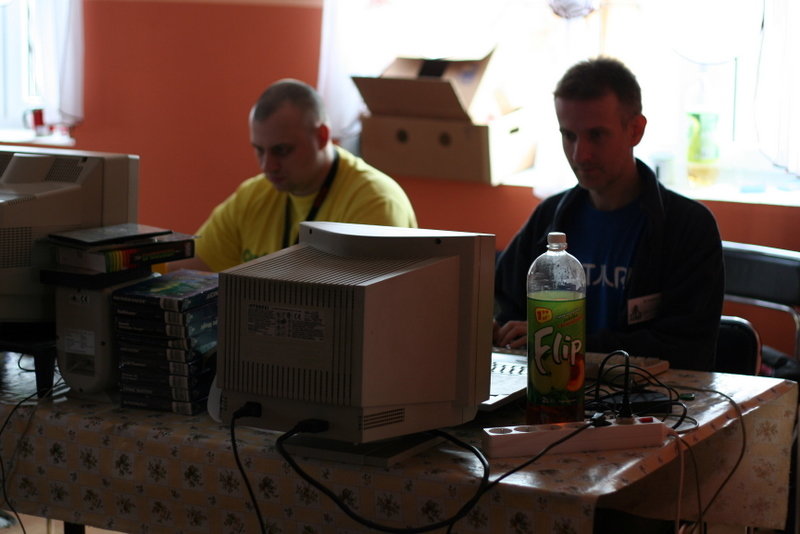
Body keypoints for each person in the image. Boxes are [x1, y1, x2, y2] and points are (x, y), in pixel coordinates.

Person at [493, 57, 724, 372]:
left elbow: (684, 349)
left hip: (648, 396)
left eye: (596, 135)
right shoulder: (549, 218)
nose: (580, 154)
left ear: (635, 130)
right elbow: (506, 310)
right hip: (551, 386)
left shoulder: (687, 228)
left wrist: (570, 343)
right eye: (569, 136)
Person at [186, 79, 418, 272]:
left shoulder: (375, 202)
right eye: (259, 150)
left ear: (321, 137)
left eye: (281, 150)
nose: (268, 166)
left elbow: (372, 307)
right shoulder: (251, 197)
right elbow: (186, 274)